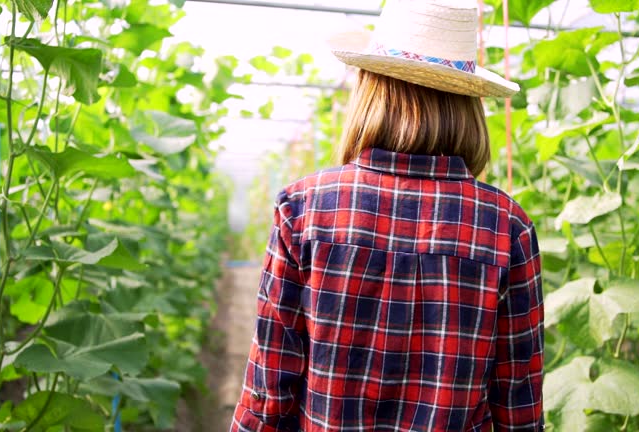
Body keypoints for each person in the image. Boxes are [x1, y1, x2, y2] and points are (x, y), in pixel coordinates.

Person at [230, 1, 543, 430]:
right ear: (469, 106)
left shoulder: (303, 209)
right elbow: (519, 405)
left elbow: (268, 392)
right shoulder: (505, 226)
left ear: (369, 91)